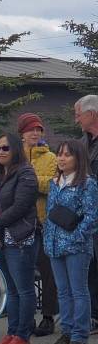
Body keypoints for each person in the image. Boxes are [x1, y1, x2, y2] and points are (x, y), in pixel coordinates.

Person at [0, 132, 39, 344]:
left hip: (20, 238)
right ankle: (12, 331)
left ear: (15, 149)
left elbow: (21, 206)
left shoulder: (25, 173)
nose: (0, 152)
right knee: (11, 290)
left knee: (24, 289)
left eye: (5, 148)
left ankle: (23, 335)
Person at [44, 139, 98, 344]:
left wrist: (76, 236)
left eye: (67, 154)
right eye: (59, 154)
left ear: (78, 157)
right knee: (63, 292)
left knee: (78, 290)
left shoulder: (87, 183)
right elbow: (50, 214)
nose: (61, 158)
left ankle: (79, 334)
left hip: (77, 247)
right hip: (55, 245)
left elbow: (92, 216)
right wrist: (49, 237)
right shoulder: (54, 183)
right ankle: (66, 331)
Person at [19, 113, 59, 337]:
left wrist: (31, 179)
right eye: (30, 130)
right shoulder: (15, 156)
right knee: (22, 273)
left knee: (47, 272)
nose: (35, 133)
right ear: (22, 134)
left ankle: (48, 316)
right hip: (20, 223)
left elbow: (53, 185)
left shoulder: (51, 157)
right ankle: (26, 318)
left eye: (39, 129)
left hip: (44, 222)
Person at [73, 94, 98, 326]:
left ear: (91, 114)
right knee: (90, 267)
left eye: (78, 114)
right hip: (87, 216)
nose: (76, 119)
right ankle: (93, 316)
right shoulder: (81, 144)